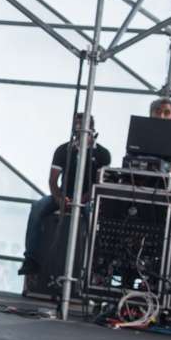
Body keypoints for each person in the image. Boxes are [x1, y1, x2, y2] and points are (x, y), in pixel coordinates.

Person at [19, 113, 110, 284]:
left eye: (82, 127)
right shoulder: (63, 150)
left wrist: (81, 201)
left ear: (91, 129)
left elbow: (99, 184)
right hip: (63, 195)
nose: (79, 131)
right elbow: (53, 180)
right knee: (37, 207)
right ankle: (31, 259)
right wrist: (60, 199)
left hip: (87, 199)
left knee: (94, 220)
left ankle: (97, 267)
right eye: (76, 127)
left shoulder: (103, 154)